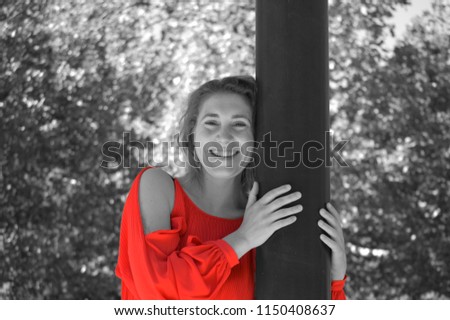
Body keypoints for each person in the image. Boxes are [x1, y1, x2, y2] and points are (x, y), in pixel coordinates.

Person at [115, 75, 347, 300]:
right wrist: (242, 239)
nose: (224, 138)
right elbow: (157, 295)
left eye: (239, 124)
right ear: (192, 134)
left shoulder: (264, 218)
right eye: (211, 123)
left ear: (256, 138)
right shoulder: (157, 186)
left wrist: (333, 283)